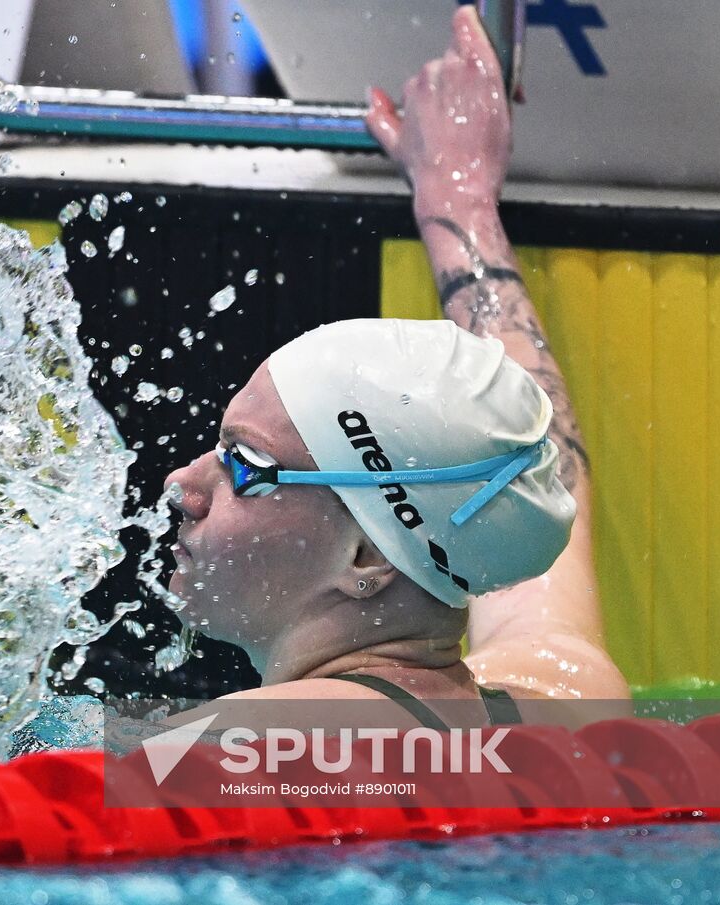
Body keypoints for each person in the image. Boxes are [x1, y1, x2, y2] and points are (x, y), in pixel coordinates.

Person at [160, 6, 628, 728]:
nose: (183, 485)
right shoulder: (570, 694)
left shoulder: (229, 747)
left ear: (367, 556)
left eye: (243, 463)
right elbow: (529, 460)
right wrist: (459, 203)